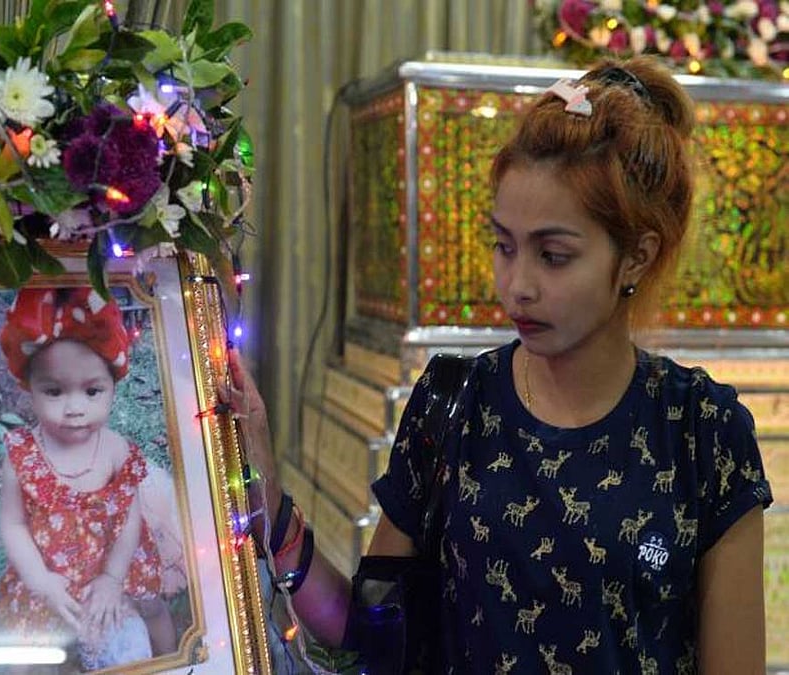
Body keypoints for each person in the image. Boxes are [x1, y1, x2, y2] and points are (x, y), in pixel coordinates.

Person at [225, 56, 772, 674]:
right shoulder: (453, 403)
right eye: (504, 246)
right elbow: (372, 632)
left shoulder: (702, 433)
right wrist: (271, 504)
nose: (517, 286)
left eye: (553, 255)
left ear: (636, 257)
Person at [0, 287, 181, 671]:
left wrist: (113, 578)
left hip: (117, 561)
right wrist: (41, 580)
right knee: (29, 639)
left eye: (92, 391)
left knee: (151, 607)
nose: (75, 407)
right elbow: (13, 524)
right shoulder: (22, 455)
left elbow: (129, 519)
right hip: (51, 571)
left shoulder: (115, 450)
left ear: (113, 387)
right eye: (54, 391)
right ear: (29, 388)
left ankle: (173, 659)